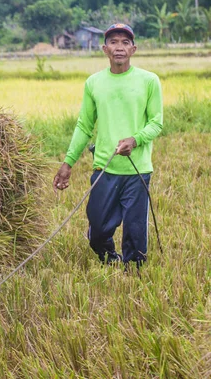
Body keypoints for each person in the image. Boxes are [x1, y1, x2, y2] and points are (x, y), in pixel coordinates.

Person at [53, 23, 163, 267]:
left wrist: (135, 140)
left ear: (133, 49)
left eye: (125, 42)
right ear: (105, 49)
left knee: (135, 235)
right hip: (104, 168)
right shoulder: (94, 83)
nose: (119, 47)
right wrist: (68, 163)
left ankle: (133, 274)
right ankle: (110, 259)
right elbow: (84, 126)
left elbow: (156, 123)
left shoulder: (149, 81)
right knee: (99, 230)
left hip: (137, 170)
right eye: (114, 42)